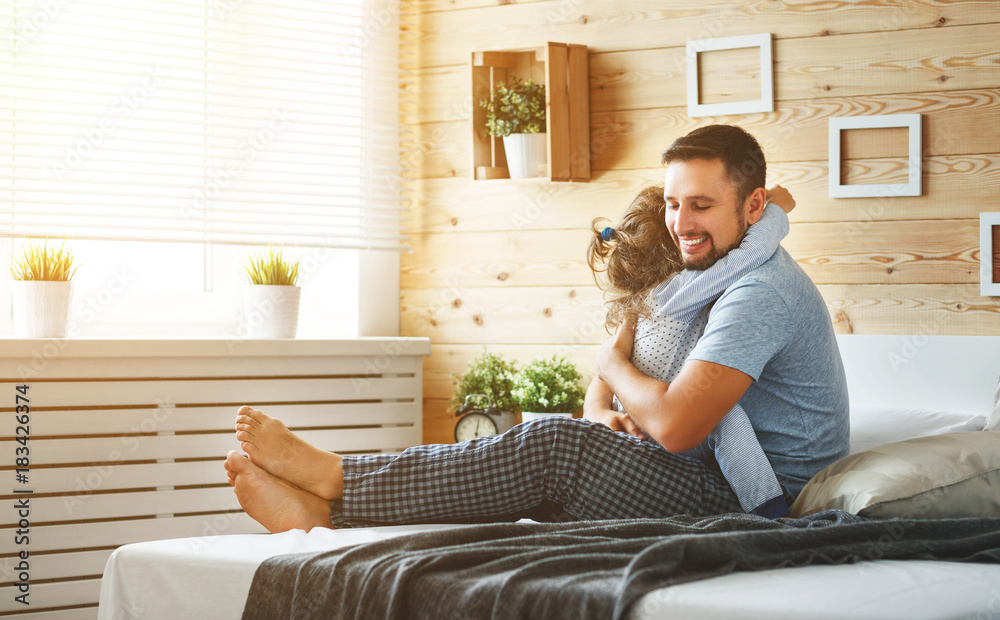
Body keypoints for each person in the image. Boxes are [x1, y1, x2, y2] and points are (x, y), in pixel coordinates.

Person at [225, 124, 850, 533]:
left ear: (751, 206)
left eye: (701, 205)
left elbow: (676, 425)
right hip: (696, 467)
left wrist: (612, 369)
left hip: (757, 500)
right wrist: (605, 411)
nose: (679, 222)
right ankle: (327, 518)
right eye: (671, 201)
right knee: (544, 466)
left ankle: (337, 478)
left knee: (552, 446)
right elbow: (618, 396)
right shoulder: (698, 277)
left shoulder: (757, 292)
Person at [587, 183, 796, 518]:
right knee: (723, 415)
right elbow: (753, 253)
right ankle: (771, 511)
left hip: (629, 424)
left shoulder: (642, 304)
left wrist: (596, 412)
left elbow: (606, 367)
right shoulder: (684, 291)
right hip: (653, 429)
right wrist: (775, 207)